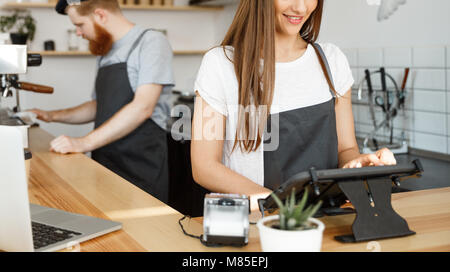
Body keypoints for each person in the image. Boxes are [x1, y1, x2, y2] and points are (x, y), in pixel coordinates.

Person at [190, 0, 397, 211]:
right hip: (258, 225)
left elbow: (346, 149)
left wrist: (360, 165)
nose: (300, 8)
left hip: (326, 222)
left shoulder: (332, 61)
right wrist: (278, 206)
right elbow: (204, 166)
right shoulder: (220, 64)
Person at [30, 0, 174, 204]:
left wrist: (83, 142)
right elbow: (99, 106)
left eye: (79, 25)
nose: (78, 33)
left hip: (141, 168)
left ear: (100, 15)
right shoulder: (106, 51)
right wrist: (51, 115)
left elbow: (143, 107)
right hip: (105, 164)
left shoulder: (151, 42)